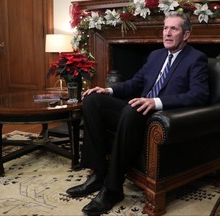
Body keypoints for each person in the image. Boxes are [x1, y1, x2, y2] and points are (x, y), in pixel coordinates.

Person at [66, 11, 210, 215]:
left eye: (174, 29)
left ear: (185, 35)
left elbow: (199, 96)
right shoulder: (155, 55)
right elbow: (135, 83)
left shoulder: (196, 59)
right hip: (135, 110)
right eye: (165, 28)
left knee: (132, 109)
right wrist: (108, 90)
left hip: (160, 117)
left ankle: (112, 188)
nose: (167, 33)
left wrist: (156, 102)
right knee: (92, 100)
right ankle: (98, 174)